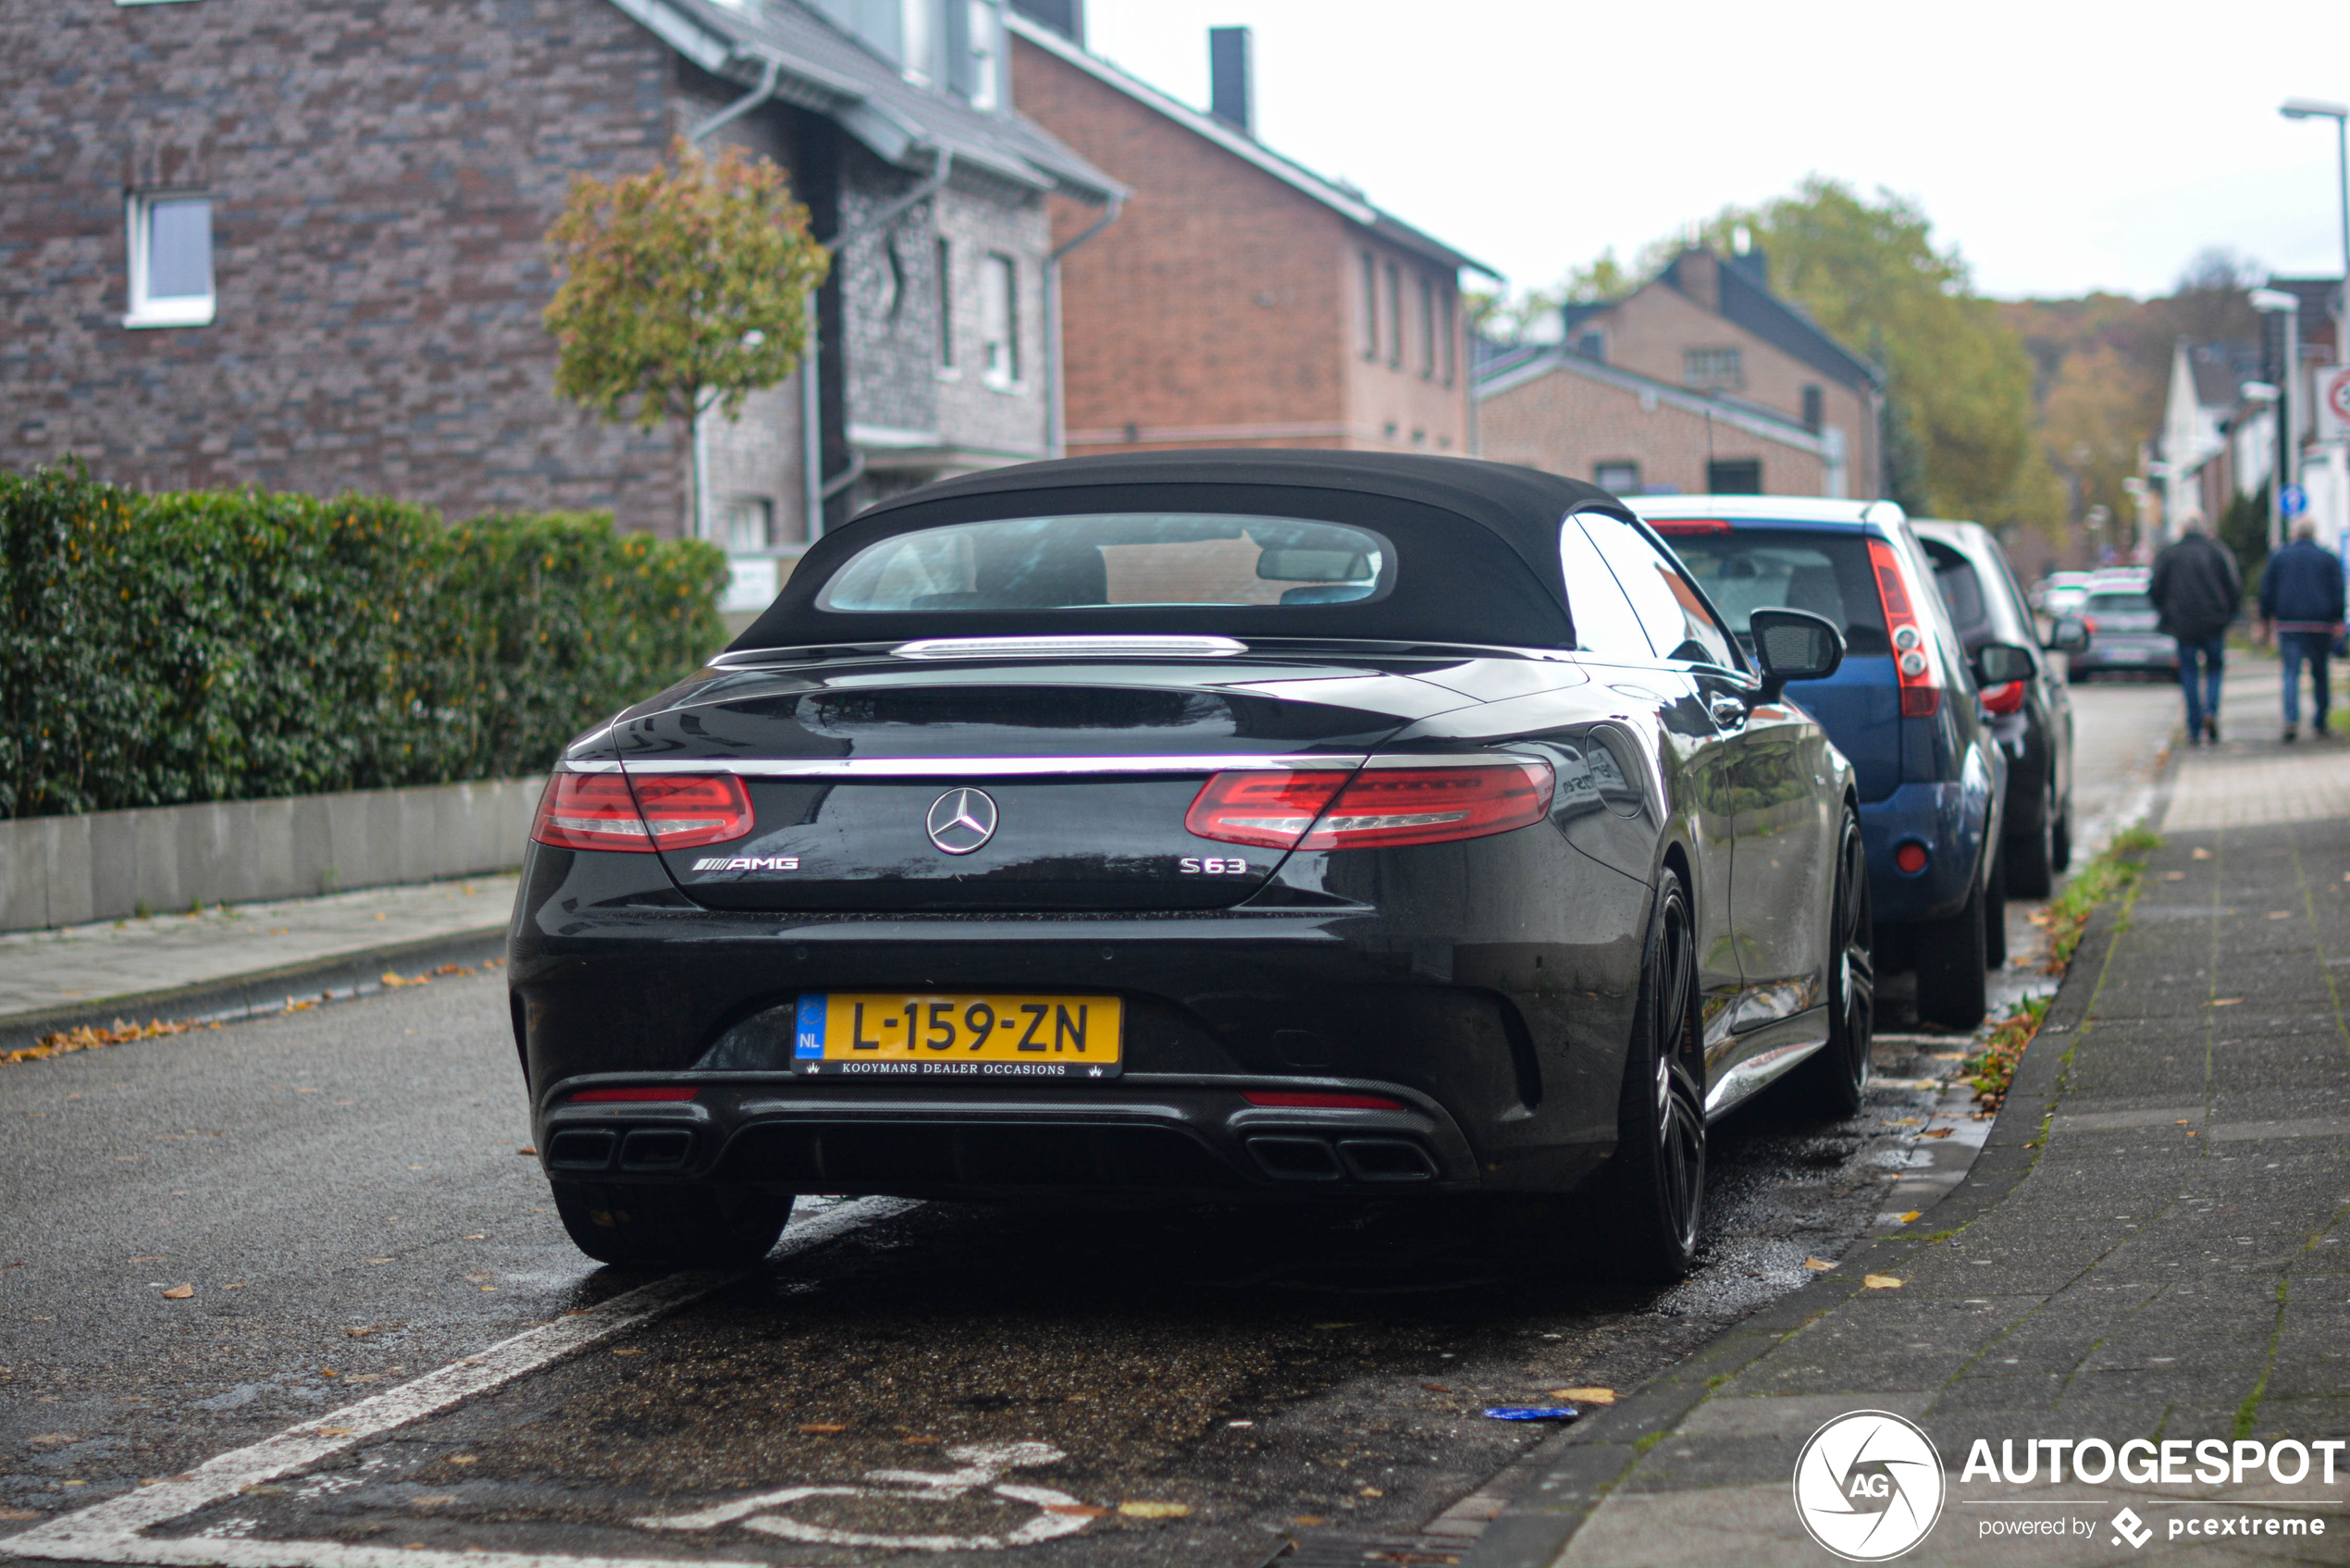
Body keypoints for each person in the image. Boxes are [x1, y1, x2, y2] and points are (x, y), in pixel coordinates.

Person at [2147, 512, 2242, 745]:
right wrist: (2228, 615)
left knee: (2188, 672)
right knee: (2215, 669)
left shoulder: (2170, 554)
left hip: (2183, 624)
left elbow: (2155, 588)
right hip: (2214, 623)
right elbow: (2233, 586)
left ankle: (2193, 725)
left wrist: (2166, 612)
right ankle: (2211, 710)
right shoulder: (2217, 551)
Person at [2257, 518, 2348, 742]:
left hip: (2290, 623)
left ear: (2295, 534)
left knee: (2291, 673)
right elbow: (2338, 590)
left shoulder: (2280, 558)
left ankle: (2291, 719)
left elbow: (2267, 590)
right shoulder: (2328, 558)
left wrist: (2265, 619)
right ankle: (2321, 720)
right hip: (2320, 624)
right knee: (2321, 673)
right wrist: (2338, 618)